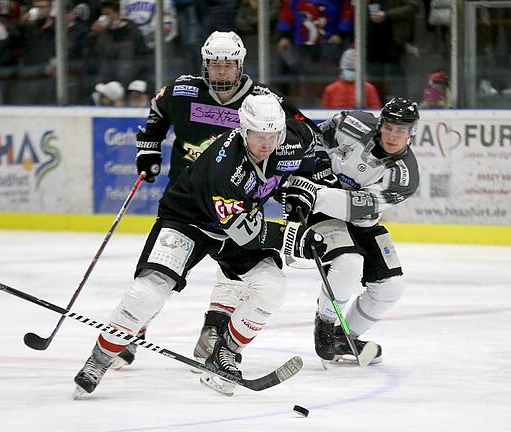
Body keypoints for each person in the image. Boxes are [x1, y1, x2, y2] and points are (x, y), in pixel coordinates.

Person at [73, 94, 325, 397]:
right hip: (188, 222)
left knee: (273, 288)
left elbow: (311, 152)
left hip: (235, 224)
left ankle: (225, 353)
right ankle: (99, 359)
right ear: (244, 130)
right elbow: (244, 232)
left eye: (273, 135)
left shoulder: (290, 140)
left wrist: (299, 196)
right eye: (259, 135)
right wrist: (294, 237)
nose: (266, 143)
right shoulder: (224, 168)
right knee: (146, 293)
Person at [117, 30, 310, 370]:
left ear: (240, 64)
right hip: (186, 202)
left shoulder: (263, 100)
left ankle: (214, 332)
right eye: (215, 64)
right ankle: (135, 327)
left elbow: (299, 130)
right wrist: (147, 149)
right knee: (161, 272)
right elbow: (157, 115)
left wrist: (299, 176)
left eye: (229, 64)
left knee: (237, 272)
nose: (222, 71)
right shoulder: (182, 90)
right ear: (205, 64)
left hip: (237, 200)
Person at [292, 97, 420, 365]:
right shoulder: (351, 123)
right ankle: (325, 326)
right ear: (381, 124)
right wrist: (315, 166)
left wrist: (313, 191)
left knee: (391, 288)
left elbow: (358, 207)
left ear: (411, 133)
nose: (394, 136)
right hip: (322, 214)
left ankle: (343, 338)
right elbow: (311, 140)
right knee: (349, 263)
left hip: (357, 218)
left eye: (402, 130)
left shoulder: (403, 175)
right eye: (390, 127)